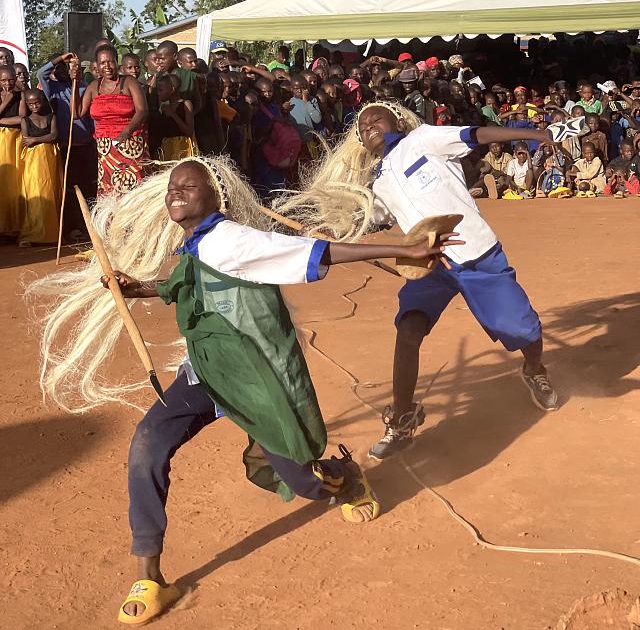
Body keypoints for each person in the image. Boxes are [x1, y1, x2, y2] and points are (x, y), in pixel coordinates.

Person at [29, 156, 459, 624]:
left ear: (216, 198)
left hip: (256, 382)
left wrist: (404, 249)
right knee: (147, 446)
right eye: (173, 187)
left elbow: (317, 252)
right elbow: (185, 282)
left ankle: (346, 477)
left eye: (189, 187)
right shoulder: (195, 244)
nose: (176, 193)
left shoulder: (235, 240)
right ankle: (150, 577)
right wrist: (138, 289)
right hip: (205, 375)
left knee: (305, 482)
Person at [277, 101, 577, 461]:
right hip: (430, 265)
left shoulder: (424, 138)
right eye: (362, 126)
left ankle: (534, 368)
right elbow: (372, 219)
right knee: (408, 329)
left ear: (398, 121)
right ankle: (402, 419)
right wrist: (330, 230)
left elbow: (475, 134)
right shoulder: (378, 182)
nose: (368, 125)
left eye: (376, 118)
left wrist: (536, 134)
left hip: (476, 255)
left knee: (522, 329)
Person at [38, 52, 97, 242]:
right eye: (61, 68)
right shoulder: (53, 89)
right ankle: (72, 228)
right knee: (69, 190)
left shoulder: (84, 88)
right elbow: (40, 73)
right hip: (65, 147)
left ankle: (88, 226)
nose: (66, 71)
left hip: (85, 145)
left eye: (70, 68)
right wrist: (61, 58)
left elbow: (92, 118)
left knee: (88, 188)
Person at [74, 45, 149, 195]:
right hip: (106, 148)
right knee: (109, 189)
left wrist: (126, 132)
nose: (107, 66)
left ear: (117, 62)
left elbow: (142, 110)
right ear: (97, 65)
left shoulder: (129, 82)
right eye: (102, 63)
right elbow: (77, 113)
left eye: (111, 61)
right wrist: (74, 83)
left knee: (133, 187)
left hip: (130, 144)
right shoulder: (94, 87)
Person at [18, 89, 63, 246]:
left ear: (42, 101)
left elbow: (54, 135)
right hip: (33, 161)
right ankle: (34, 234)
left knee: (53, 191)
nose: (34, 106)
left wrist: (36, 139)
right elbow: (26, 140)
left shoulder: (51, 117)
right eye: (30, 104)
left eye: (37, 103)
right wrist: (40, 139)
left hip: (50, 158)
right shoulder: (25, 120)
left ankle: (53, 233)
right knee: (36, 193)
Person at [0, 65, 24, 237]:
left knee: (15, 182)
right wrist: (6, 101)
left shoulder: (21, 95)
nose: (7, 83)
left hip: (15, 140)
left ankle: (15, 226)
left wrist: (1, 121)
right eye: (3, 80)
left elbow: (22, 118)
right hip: (1, 142)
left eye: (10, 80)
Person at [149, 74, 195, 160]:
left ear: (172, 90)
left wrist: (173, 114)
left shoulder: (186, 104)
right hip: (168, 149)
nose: (158, 93)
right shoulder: (164, 108)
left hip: (183, 148)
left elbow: (189, 131)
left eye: (160, 90)